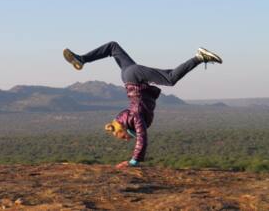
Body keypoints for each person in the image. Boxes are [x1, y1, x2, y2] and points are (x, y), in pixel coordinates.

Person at [63, 41, 222, 169]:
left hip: (134, 77)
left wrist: (134, 161)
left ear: (123, 129)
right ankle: (81, 59)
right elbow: (130, 127)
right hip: (128, 76)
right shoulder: (127, 116)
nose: (126, 140)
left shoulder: (135, 117)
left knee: (170, 78)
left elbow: (142, 138)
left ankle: (199, 57)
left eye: (123, 137)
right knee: (113, 47)